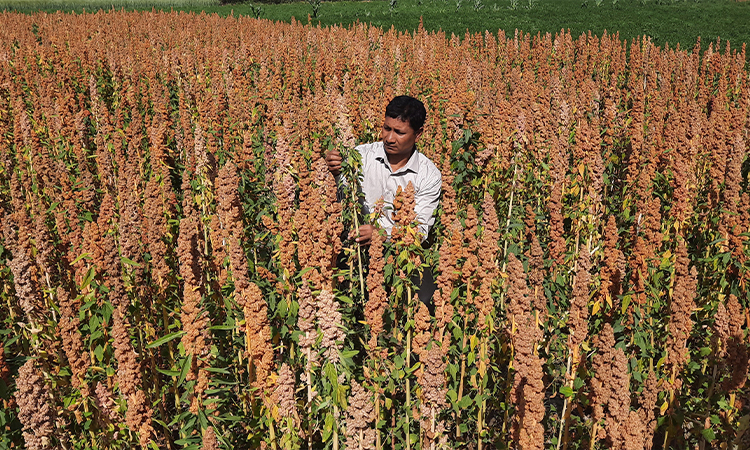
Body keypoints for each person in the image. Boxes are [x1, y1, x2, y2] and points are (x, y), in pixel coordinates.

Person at [325, 95, 442, 246]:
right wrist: (336, 173)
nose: (389, 138)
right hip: (354, 249)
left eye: (399, 132)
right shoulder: (362, 156)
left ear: (418, 134)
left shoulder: (429, 176)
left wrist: (382, 234)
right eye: (387, 129)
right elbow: (342, 198)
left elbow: (419, 231)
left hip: (398, 254)